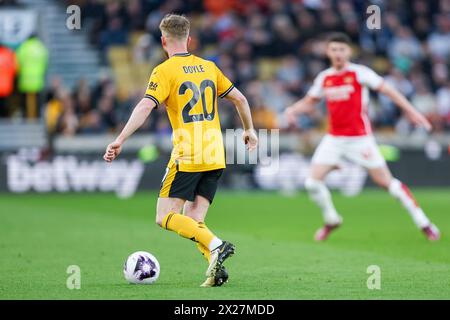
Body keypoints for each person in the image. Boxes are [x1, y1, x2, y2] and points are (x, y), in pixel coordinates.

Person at [103, 14, 258, 286]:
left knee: (164, 217)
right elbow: (240, 99)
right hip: (215, 154)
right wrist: (249, 130)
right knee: (194, 219)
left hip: (188, 154)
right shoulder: (209, 66)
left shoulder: (164, 70)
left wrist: (121, 138)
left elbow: (145, 106)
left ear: (163, 41)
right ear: (189, 39)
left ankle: (217, 245)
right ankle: (215, 269)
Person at [284, 33, 440, 242]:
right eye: (334, 49)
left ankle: (425, 223)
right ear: (328, 52)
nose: (338, 53)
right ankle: (332, 219)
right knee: (312, 183)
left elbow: (388, 90)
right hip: (334, 139)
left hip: (360, 139)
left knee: (388, 184)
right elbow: (310, 101)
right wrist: (293, 109)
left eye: (342, 49)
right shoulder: (325, 77)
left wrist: (411, 111)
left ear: (349, 51)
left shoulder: (359, 73)